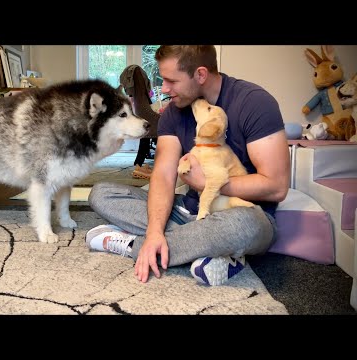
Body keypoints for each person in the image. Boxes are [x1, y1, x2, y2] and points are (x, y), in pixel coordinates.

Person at [85, 45, 290, 286]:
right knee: (102, 194)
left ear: (200, 75)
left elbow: (276, 187)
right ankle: (210, 250)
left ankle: (132, 245)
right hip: (189, 211)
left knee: (242, 227)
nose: (164, 89)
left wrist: (209, 185)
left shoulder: (254, 103)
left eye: (171, 81)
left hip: (242, 213)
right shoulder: (173, 112)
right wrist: (154, 232)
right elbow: (162, 174)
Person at [119, 65, 160, 179]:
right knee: (167, 123)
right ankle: (161, 162)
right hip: (149, 117)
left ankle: (139, 164)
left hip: (146, 114)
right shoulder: (141, 94)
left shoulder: (140, 96)